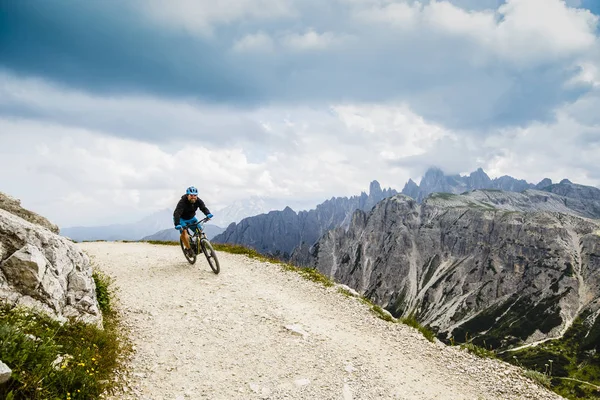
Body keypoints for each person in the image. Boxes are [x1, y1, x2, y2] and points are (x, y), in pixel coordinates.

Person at [173, 186, 213, 256]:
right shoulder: (182, 202)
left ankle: (206, 247)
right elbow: (177, 213)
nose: (193, 197)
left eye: (195, 195)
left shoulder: (198, 201)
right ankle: (189, 249)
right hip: (181, 219)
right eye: (191, 195)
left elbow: (203, 208)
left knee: (200, 232)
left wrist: (208, 214)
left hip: (191, 218)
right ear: (187, 195)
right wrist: (177, 224)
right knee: (184, 232)